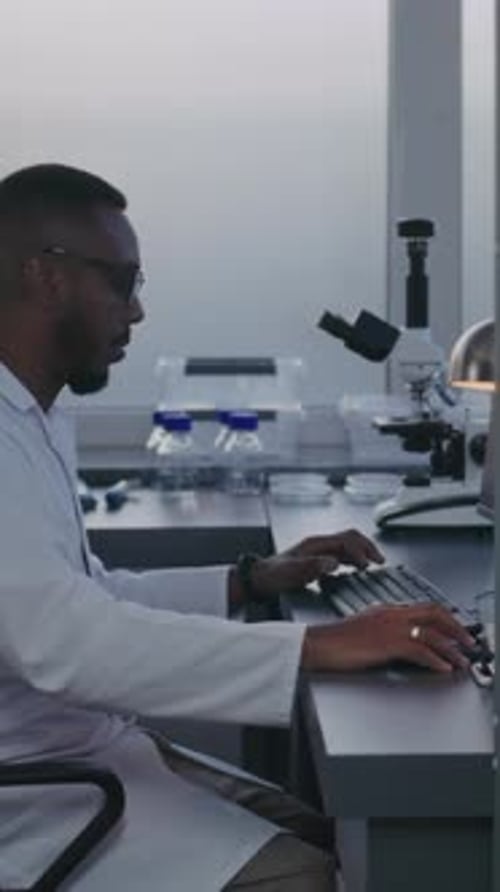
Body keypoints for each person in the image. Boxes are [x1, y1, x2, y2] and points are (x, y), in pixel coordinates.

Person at [0, 164, 473, 892]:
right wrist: (320, 644)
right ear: (48, 277)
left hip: (84, 754)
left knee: (330, 831)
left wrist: (247, 579)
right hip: (37, 794)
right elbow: (65, 644)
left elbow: (81, 595)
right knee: (319, 876)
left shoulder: (35, 415)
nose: (137, 313)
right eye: (123, 283)